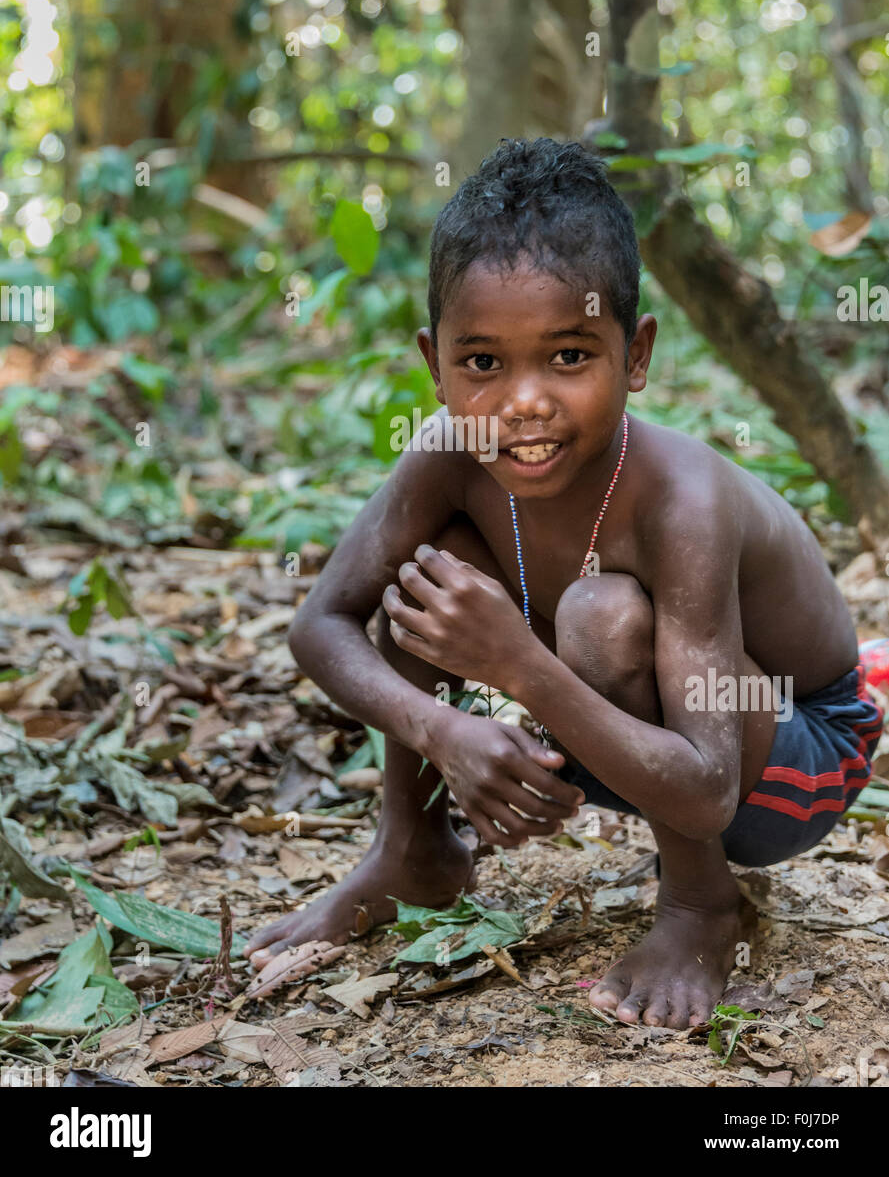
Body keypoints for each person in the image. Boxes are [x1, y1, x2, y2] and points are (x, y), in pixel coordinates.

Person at [246, 138, 884, 1028]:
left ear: (637, 354)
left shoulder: (683, 501)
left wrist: (519, 668)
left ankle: (700, 906)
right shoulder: (448, 454)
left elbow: (707, 786)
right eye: (482, 364)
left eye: (569, 356)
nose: (523, 402)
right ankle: (414, 849)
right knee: (432, 578)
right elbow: (323, 624)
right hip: (633, 737)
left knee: (602, 614)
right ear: (435, 366)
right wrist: (445, 733)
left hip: (781, 763)